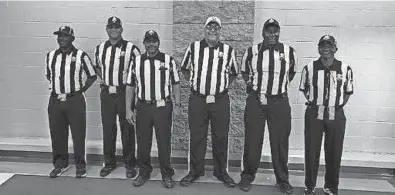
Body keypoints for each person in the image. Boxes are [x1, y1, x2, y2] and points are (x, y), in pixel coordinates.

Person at [238, 18, 297, 194]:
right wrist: (254, 86)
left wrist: (275, 90)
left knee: (280, 142)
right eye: (269, 31)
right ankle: (247, 176)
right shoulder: (252, 51)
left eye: (275, 31)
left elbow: (291, 73)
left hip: (279, 101)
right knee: (252, 140)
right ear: (263, 32)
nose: (272, 34)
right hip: (256, 101)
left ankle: (282, 180)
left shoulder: (289, 52)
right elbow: (244, 70)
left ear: (279, 32)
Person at [179, 16, 239, 188]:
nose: (213, 30)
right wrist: (194, 84)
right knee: (197, 136)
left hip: (220, 100)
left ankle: (221, 172)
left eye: (216, 27)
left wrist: (221, 86)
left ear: (220, 30)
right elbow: (184, 68)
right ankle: (195, 171)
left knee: (221, 136)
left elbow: (234, 72)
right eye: (209, 27)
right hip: (198, 99)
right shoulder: (194, 47)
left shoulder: (228, 50)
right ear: (204, 29)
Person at [125, 30, 181, 188]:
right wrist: (128, 109)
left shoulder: (168, 60)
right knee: (143, 142)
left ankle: (166, 173)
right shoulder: (136, 61)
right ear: (144, 43)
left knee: (164, 142)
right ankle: (144, 171)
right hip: (143, 106)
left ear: (158, 42)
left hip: (162, 106)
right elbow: (130, 86)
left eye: (154, 41)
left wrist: (177, 105)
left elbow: (176, 83)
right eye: (148, 41)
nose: (151, 44)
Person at [299, 35, 354, 195]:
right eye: (323, 46)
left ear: (335, 48)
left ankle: (330, 187)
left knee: (334, 151)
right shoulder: (309, 68)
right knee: (311, 150)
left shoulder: (345, 68)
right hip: (314, 112)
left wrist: (336, 106)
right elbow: (305, 90)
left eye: (329, 46)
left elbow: (348, 92)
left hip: (335, 113)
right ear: (318, 48)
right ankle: (309, 186)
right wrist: (318, 104)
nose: (326, 49)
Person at [45, 26, 97, 178]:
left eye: (65, 36)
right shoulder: (51, 55)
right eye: (59, 36)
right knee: (57, 134)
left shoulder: (81, 55)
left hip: (74, 100)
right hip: (55, 100)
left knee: (78, 134)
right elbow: (50, 75)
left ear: (72, 38)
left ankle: (80, 165)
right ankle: (61, 164)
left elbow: (92, 76)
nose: (61, 39)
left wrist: (80, 90)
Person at [94, 16, 140, 178]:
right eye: (111, 27)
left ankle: (130, 163)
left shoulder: (131, 49)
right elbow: (98, 68)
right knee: (108, 128)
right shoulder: (100, 48)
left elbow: (137, 74)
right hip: (107, 93)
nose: (114, 30)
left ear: (121, 29)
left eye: (116, 27)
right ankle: (109, 162)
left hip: (124, 93)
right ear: (107, 29)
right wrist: (107, 81)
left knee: (127, 128)